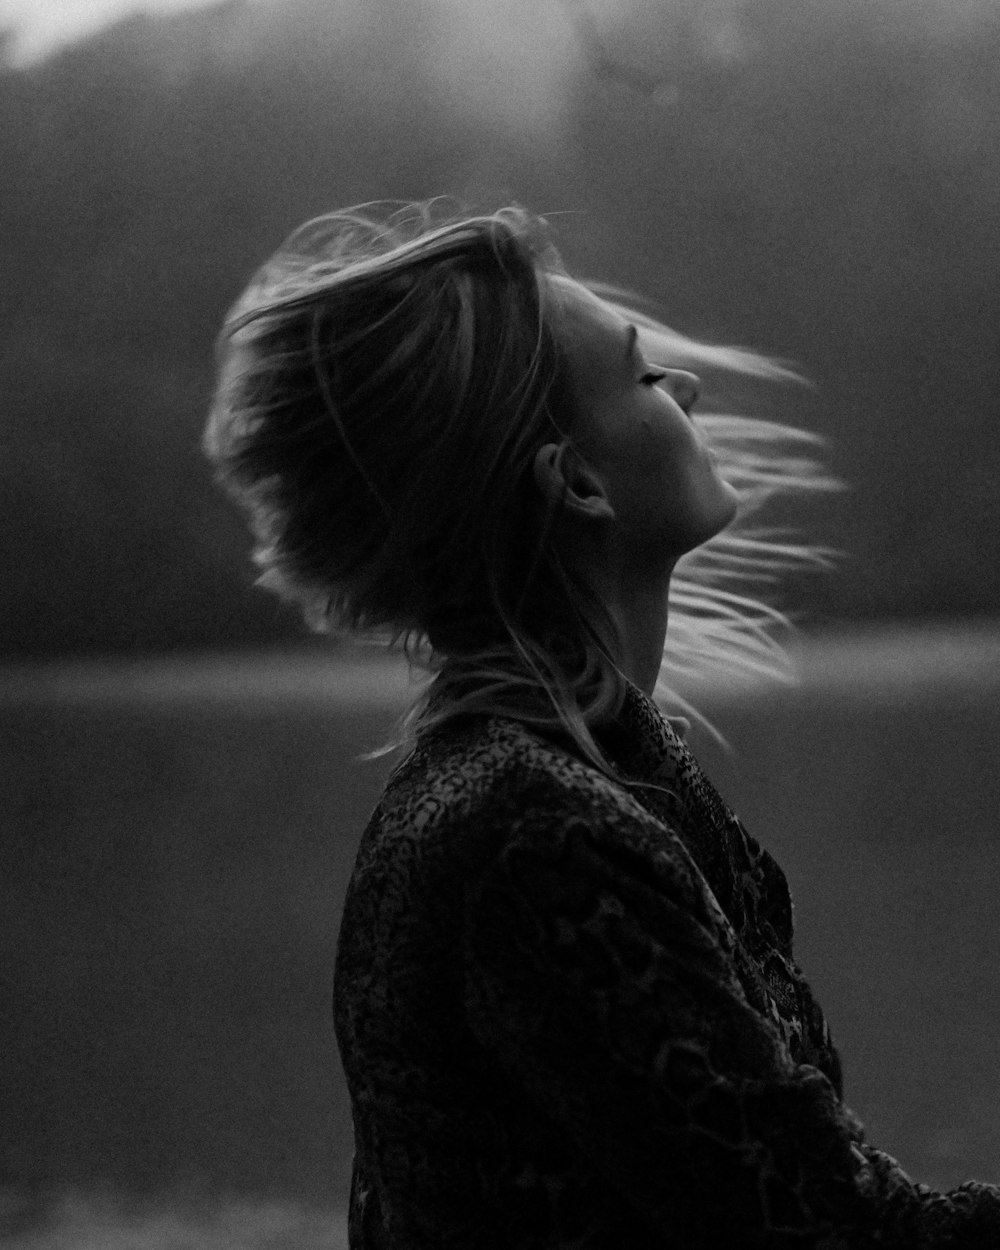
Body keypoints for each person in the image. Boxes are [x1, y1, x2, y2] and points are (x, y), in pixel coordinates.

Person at [204, 202, 1000, 1248]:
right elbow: (827, 1227)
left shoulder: (582, 779)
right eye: (640, 377)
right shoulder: (532, 836)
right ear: (576, 481)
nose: (689, 387)